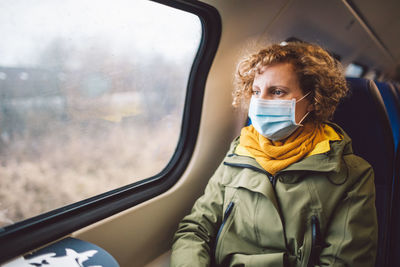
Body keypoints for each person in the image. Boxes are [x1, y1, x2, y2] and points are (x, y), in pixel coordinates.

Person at [170, 42, 378, 266]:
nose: (260, 102)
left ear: (312, 99)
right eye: (257, 92)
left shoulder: (352, 174)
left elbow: (344, 262)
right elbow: (195, 230)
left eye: (277, 92)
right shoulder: (240, 151)